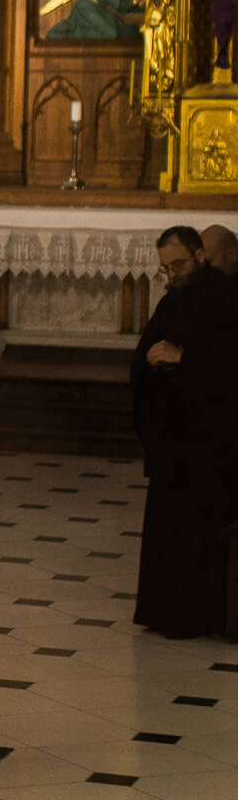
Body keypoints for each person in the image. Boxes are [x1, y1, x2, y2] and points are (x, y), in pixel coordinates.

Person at [132, 226, 238, 639]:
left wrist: (183, 358)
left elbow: (229, 362)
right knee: (167, 527)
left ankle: (198, 617)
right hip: (173, 435)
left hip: (212, 440)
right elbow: (144, 354)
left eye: (178, 265)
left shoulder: (228, 296)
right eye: (165, 268)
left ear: (199, 256)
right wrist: (151, 365)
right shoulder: (173, 299)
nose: (172, 274)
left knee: (199, 529)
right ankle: (162, 611)